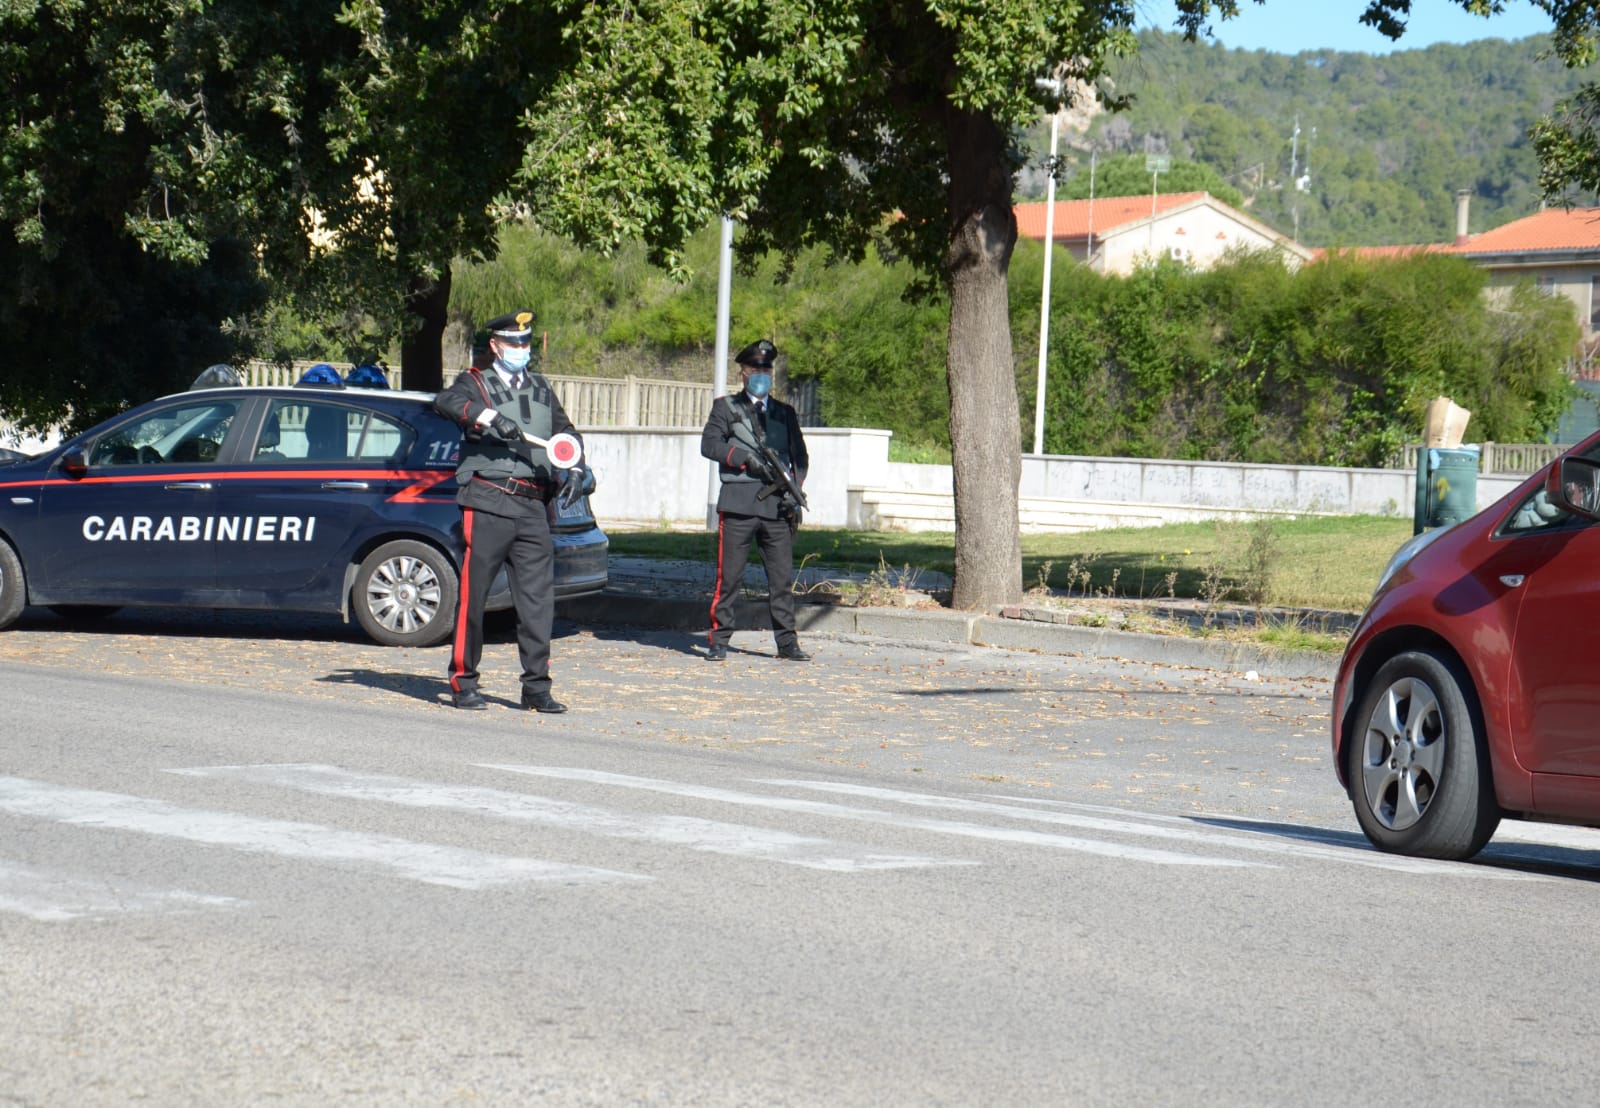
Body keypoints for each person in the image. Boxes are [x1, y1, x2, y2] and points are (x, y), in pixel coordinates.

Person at [434, 309, 591, 711]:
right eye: (513, 343)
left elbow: (567, 434)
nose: (520, 349)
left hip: (533, 504)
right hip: (488, 498)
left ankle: (536, 687)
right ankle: (463, 681)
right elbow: (446, 402)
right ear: (496, 346)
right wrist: (488, 418)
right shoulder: (476, 383)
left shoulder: (541, 387)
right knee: (475, 595)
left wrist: (574, 466)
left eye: (525, 342)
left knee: (538, 600)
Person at [700, 338, 810, 662]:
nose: (761, 373)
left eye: (766, 368)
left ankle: (787, 644)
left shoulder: (784, 413)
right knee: (729, 578)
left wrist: (795, 488)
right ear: (743, 373)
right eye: (754, 368)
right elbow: (709, 445)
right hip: (738, 504)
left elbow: (800, 457)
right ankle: (719, 641)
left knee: (781, 581)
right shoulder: (726, 408)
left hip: (776, 506)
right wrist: (743, 458)